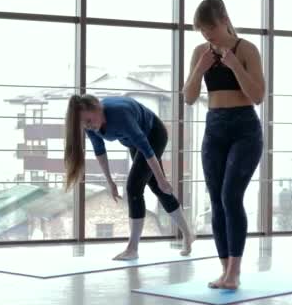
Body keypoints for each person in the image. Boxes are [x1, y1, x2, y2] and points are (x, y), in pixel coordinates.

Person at [183, 0, 265, 289]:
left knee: (231, 196)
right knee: (217, 200)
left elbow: (257, 96)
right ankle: (225, 270)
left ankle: (235, 271)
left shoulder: (247, 49)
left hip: (244, 128)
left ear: (224, 21)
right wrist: (199, 69)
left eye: (211, 29)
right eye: (203, 31)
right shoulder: (199, 53)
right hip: (214, 128)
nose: (207, 35)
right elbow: (189, 97)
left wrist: (233, 65)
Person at [64, 94, 195, 260]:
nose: (89, 127)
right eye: (84, 124)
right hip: (132, 141)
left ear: (98, 108)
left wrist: (162, 179)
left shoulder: (120, 115)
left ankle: (133, 249)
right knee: (155, 188)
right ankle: (188, 234)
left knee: (135, 187)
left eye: (89, 121)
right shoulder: (90, 126)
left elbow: (147, 149)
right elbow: (100, 152)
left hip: (154, 134)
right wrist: (110, 182)